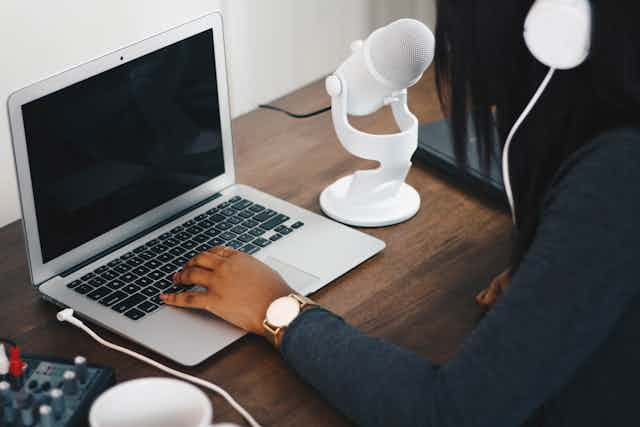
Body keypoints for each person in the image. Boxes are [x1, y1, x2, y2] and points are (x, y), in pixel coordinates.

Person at [160, 1, 640, 425]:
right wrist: (553, 273)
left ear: (556, 23)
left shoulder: (618, 173)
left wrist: (278, 309)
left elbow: (449, 412)